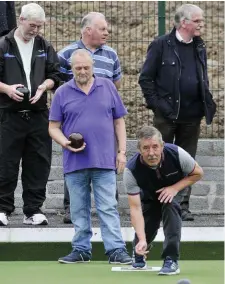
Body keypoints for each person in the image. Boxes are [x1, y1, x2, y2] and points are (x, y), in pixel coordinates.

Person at [49, 49, 132, 264]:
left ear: (92, 67)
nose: (83, 71)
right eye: (78, 68)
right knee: (78, 209)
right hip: (74, 161)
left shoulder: (107, 87)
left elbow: (119, 121)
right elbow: (53, 127)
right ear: (71, 69)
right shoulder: (62, 93)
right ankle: (81, 250)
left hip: (105, 160)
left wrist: (122, 152)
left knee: (108, 207)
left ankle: (116, 250)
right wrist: (64, 142)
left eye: (86, 67)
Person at [138, 4, 216, 221]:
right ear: (184, 22)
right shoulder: (161, 45)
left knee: (187, 161)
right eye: (198, 21)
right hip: (166, 117)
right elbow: (146, 79)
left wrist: (205, 102)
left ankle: (181, 206)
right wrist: (158, 106)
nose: (202, 24)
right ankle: (154, 204)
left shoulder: (200, 46)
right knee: (156, 158)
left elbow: (202, 77)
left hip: (192, 117)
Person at [58, 12, 122, 224]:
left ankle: (111, 206)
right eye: (102, 28)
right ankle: (70, 208)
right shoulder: (66, 54)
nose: (107, 32)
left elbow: (116, 86)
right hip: (74, 121)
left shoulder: (111, 54)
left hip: (102, 122)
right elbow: (58, 85)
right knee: (74, 165)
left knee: (106, 167)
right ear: (88, 30)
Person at [0, 3, 61, 226]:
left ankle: (33, 210)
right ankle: (3, 209)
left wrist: (44, 86)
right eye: (32, 25)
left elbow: (55, 74)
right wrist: (7, 89)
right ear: (21, 20)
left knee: (38, 163)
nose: (35, 30)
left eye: (39, 26)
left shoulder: (44, 45)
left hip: (38, 114)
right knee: (5, 163)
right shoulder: (3, 44)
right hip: (8, 115)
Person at [123, 125, 203, 275]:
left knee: (170, 205)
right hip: (149, 194)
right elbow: (135, 208)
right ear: (139, 150)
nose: (151, 153)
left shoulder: (177, 154)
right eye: (146, 148)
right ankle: (139, 252)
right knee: (149, 221)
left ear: (162, 146)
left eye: (155, 147)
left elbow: (198, 173)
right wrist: (141, 239)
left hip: (174, 189)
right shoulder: (131, 171)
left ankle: (171, 259)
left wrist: (174, 188)